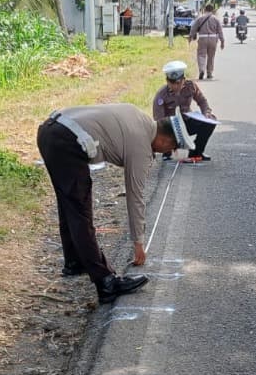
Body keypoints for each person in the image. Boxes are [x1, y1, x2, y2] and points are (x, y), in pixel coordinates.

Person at [36, 104, 189, 303]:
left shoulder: (138, 116)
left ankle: (75, 261)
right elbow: (135, 196)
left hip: (49, 130)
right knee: (80, 211)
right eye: (171, 147)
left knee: (69, 204)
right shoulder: (141, 145)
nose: (167, 152)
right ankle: (106, 282)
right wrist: (138, 243)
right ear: (165, 139)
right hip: (66, 142)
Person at [153, 61, 217, 164]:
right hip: (171, 127)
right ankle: (167, 152)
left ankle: (196, 152)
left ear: (184, 80)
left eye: (179, 82)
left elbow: (202, 101)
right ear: (167, 81)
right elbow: (158, 119)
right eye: (172, 83)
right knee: (162, 129)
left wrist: (206, 113)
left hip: (187, 121)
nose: (176, 86)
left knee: (211, 121)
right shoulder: (161, 95)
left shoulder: (191, 86)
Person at [188, 3, 225, 79]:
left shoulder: (200, 18)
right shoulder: (216, 19)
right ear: (213, 10)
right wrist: (222, 41)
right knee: (211, 57)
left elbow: (193, 28)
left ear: (205, 9)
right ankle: (209, 73)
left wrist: (190, 37)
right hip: (213, 39)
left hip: (202, 38)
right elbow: (220, 31)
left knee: (201, 55)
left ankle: (201, 70)